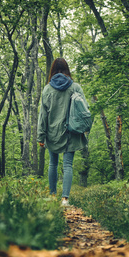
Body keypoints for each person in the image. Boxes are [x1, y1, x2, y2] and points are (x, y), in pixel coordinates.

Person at [37, 58, 88, 206]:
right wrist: (84, 129)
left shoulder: (47, 89)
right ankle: (65, 199)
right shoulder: (76, 87)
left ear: (52, 70)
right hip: (71, 132)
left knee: (53, 164)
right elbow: (84, 110)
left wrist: (41, 135)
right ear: (67, 69)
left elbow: (43, 115)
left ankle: (52, 196)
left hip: (52, 132)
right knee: (68, 165)